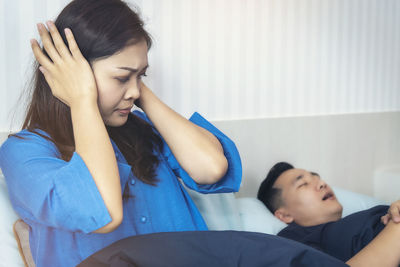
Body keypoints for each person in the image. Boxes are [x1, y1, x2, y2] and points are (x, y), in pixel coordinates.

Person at [0, 0, 243, 266]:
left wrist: (137, 89)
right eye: (121, 78)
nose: (135, 91)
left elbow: (211, 168)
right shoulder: (23, 152)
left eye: (141, 76)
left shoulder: (145, 129)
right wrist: (82, 98)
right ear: (70, 75)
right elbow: (102, 211)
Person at [258, 162, 400, 267]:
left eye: (316, 178)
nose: (321, 184)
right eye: (303, 184)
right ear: (284, 215)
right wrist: (396, 225)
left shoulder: (347, 225)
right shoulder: (292, 241)